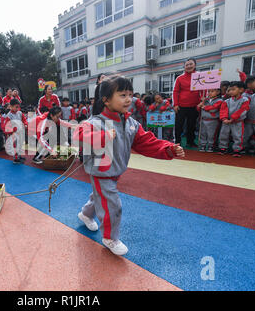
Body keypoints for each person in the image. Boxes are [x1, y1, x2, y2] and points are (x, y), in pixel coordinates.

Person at [73, 76, 185, 256]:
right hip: (101, 171)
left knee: (99, 196)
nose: (128, 99)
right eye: (122, 94)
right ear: (106, 100)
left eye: (130, 95)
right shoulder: (95, 122)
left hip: (114, 171)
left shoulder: (131, 123)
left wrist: (168, 149)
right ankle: (110, 237)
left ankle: (86, 214)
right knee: (112, 204)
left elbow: (147, 142)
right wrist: (103, 137)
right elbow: (78, 136)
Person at [173, 58, 202, 148]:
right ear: (184, 67)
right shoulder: (179, 78)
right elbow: (175, 91)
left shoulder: (200, 76)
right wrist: (176, 104)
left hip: (194, 106)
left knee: (192, 125)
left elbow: (204, 91)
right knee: (179, 125)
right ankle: (177, 141)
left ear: (195, 65)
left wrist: (202, 102)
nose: (189, 66)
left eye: (191, 64)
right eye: (187, 65)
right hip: (181, 106)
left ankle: (191, 141)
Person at [218, 81, 250, 157]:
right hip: (226, 121)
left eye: (233, 89)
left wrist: (232, 119)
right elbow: (223, 110)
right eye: (229, 90)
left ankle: (237, 149)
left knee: (237, 136)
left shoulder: (245, 100)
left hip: (237, 121)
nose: (231, 91)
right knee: (223, 134)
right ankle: (223, 147)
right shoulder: (227, 101)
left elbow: (243, 110)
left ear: (241, 90)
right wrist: (224, 119)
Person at [2, 99, 28, 164]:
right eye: (16, 107)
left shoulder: (19, 113)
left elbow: (24, 119)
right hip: (14, 133)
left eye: (18, 107)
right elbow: (6, 126)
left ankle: (19, 156)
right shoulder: (9, 115)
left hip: (20, 132)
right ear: (11, 106)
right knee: (15, 145)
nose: (17, 108)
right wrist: (12, 131)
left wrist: (25, 124)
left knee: (20, 144)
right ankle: (16, 158)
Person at [197, 88, 223, 152]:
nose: (210, 93)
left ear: (218, 92)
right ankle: (203, 145)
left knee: (211, 134)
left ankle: (211, 145)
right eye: (209, 91)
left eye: (212, 91)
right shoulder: (205, 100)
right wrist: (200, 105)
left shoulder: (219, 100)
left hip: (213, 120)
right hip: (203, 119)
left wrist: (204, 107)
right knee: (203, 133)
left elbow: (214, 109)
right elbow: (198, 109)